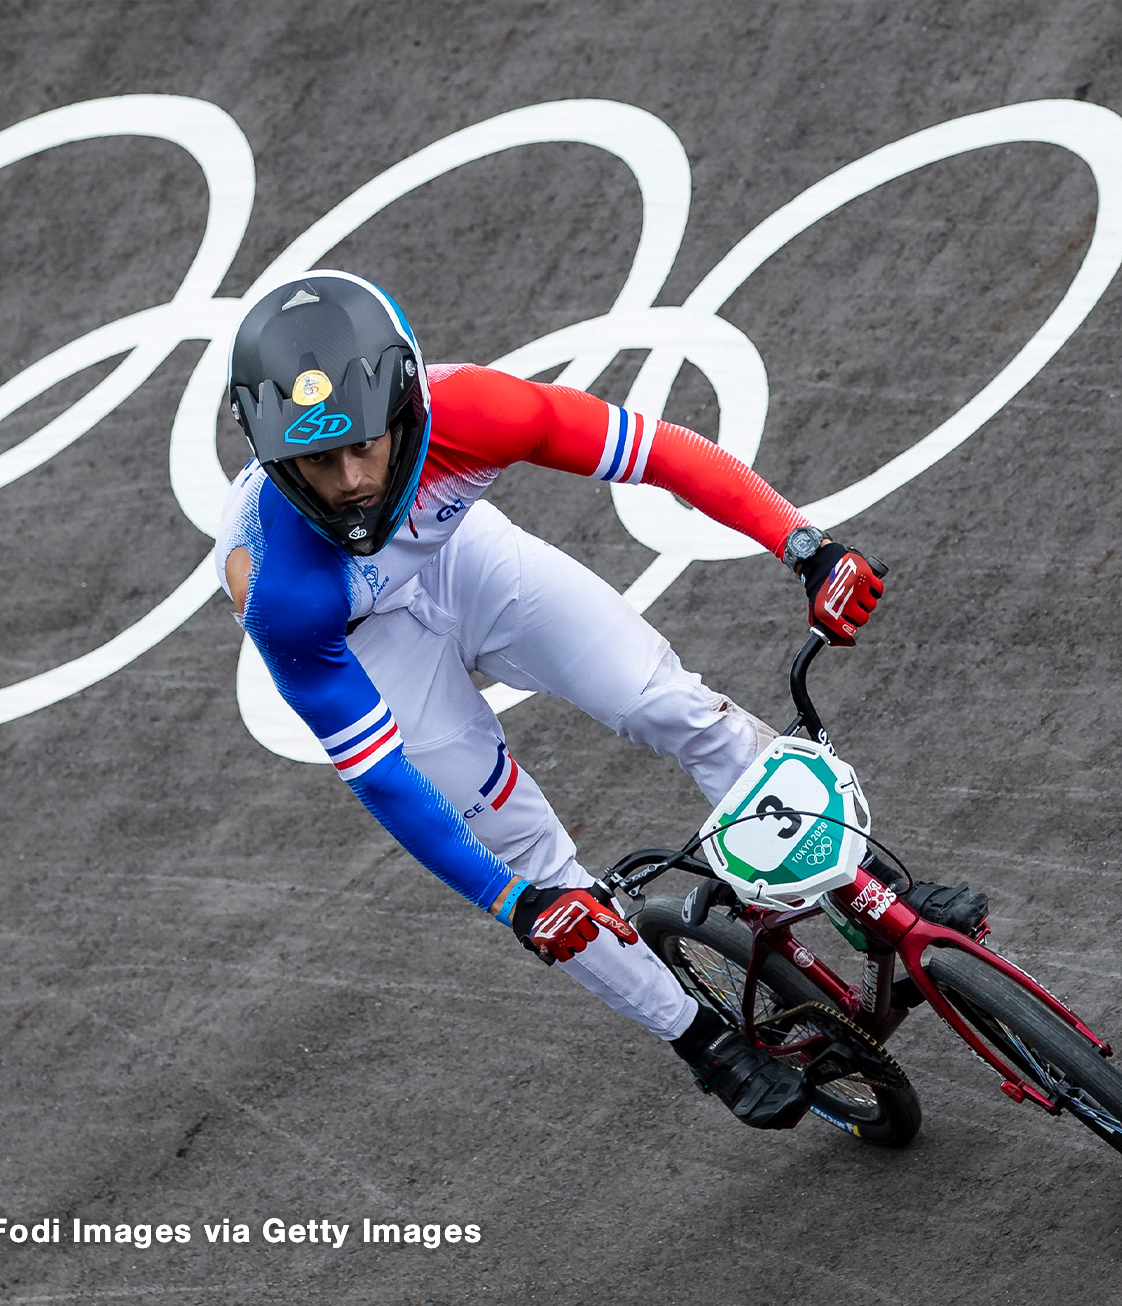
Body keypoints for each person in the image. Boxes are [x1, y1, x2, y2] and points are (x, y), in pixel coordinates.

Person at [215, 271, 983, 1130]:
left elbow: (665, 452)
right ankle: (704, 1041)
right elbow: (384, 777)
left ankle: (870, 893)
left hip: (466, 562)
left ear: (405, 410)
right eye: (320, 461)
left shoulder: (474, 411)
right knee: (529, 863)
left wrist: (806, 546)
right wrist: (516, 907)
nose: (352, 479)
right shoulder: (278, 589)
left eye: (366, 445)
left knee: (665, 700)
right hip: (367, 643)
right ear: (279, 461)